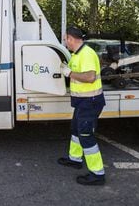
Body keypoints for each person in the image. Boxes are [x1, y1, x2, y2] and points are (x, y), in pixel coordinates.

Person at [58, 26, 106, 185]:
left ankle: (97, 174)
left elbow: (90, 77)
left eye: (66, 39)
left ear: (71, 38)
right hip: (82, 101)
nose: (65, 42)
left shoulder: (86, 53)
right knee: (76, 129)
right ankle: (75, 159)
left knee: (86, 136)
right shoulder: (77, 54)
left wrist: (69, 73)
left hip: (90, 102)